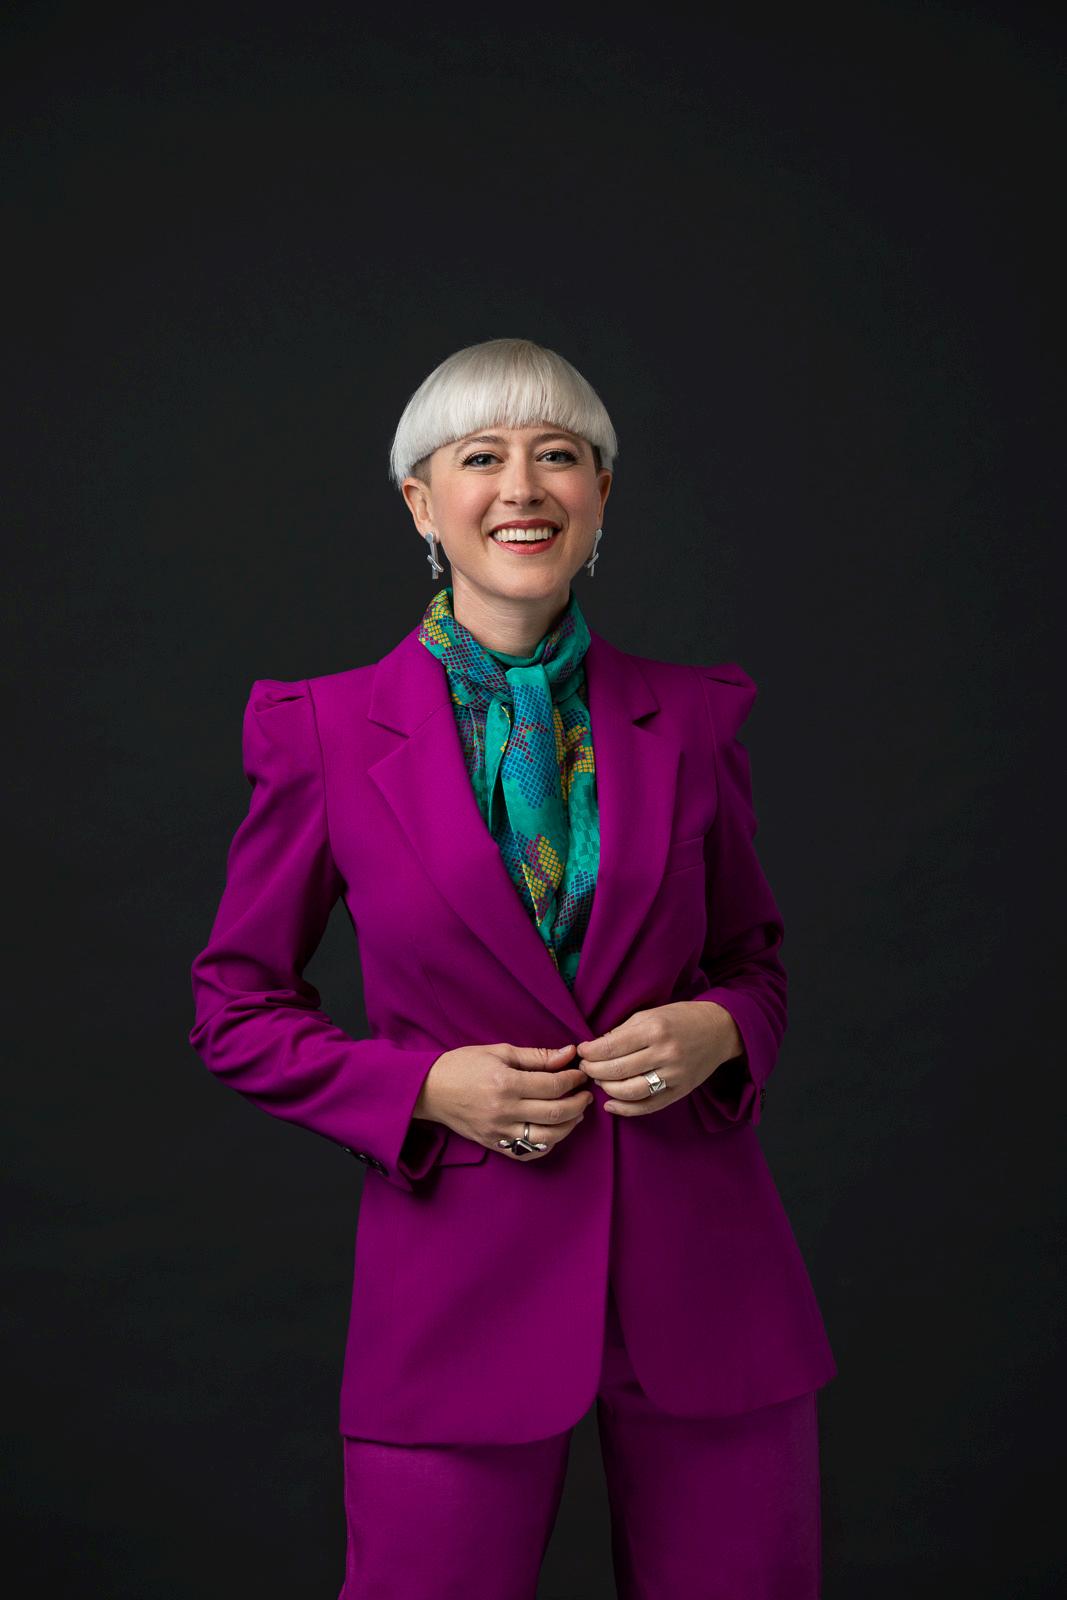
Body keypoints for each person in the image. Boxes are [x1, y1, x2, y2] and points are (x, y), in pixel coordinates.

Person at [189, 336, 838, 1598]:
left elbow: (752, 961)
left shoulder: (693, 715)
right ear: (420, 504)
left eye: (558, 455)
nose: (522, 486)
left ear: (600, 495)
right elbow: (234, 1007)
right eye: (480, 457)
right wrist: (423, 1090)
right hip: (454, 1296)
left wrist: (717, 1030)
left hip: (709, 1284)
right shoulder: (322, 731)